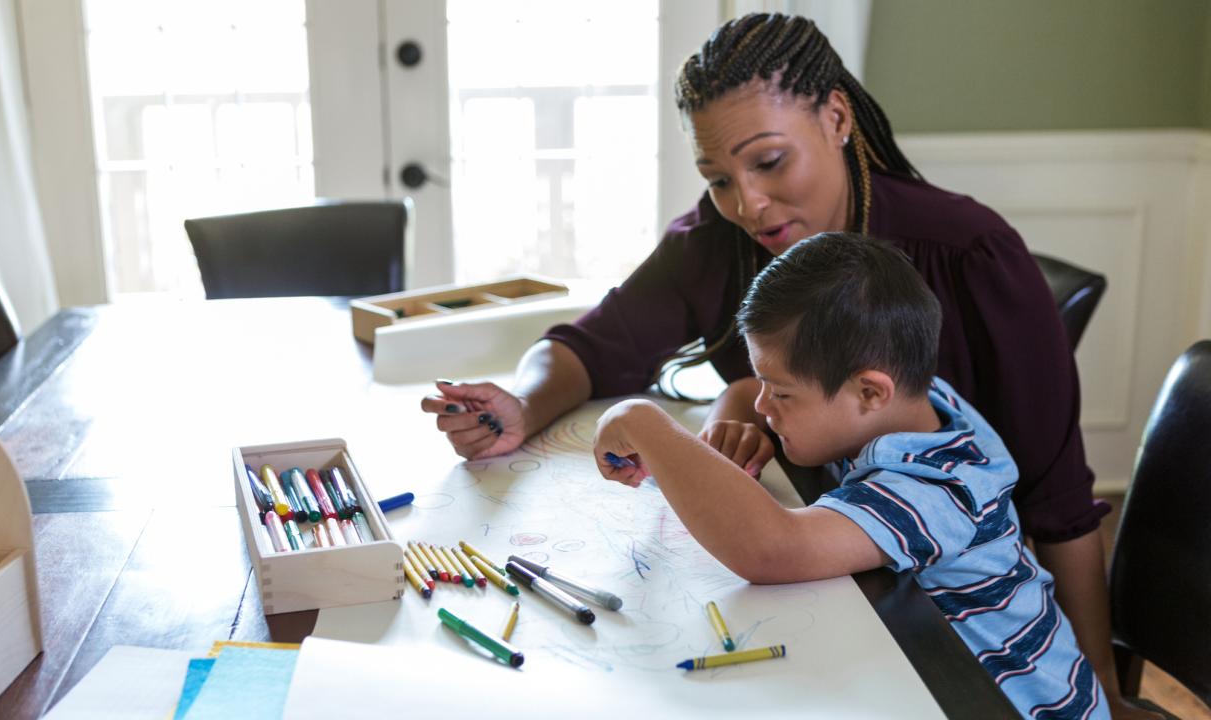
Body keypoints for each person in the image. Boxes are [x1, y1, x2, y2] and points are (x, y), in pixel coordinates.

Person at [422, 13, 1144, 717]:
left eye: (768, 162)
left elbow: (1057, 499)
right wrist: (523, 403)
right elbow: (592, 343)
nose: (749, 205)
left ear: (836, 118)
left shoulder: (968, 258)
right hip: (874, 604)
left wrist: (1101, 688)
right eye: (717, 178)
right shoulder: (720, 241)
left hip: (972, 656)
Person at [594, 233, 1108, 719]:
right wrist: (731, 426)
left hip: (1012, 703)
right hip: (928, 667)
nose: (762, 404)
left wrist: (644, 424)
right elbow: (747, 388)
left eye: (783, 394)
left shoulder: (935, 489)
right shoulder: (919, 399)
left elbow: (773, 549)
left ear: (869, 393)